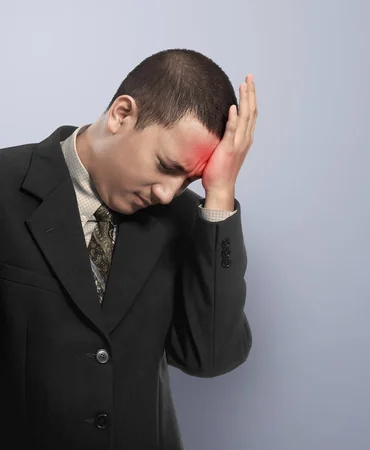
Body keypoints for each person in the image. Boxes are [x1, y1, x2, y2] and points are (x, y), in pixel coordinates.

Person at [0, 48, 257, 450]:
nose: (168, 193)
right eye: (168, 166)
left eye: (188, 180)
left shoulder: (188, 220)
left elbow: (210, 358)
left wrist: (220, 193)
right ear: (122, 114)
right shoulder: (5, 185)